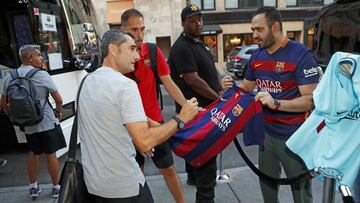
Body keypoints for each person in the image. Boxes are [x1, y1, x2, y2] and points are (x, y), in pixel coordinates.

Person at [78, 29, 199, 202]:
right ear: (113, 49)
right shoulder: (124, 85)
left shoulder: (86, 82)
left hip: (95, 185)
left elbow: (111, 119)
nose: (137, 56)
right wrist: (181, 118)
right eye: (132, 49)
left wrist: (155, 127)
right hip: (125, 188)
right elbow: (145, 142)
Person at [222, 7, 318, 203]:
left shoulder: (301, 55)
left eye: (259, 29)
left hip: (294, 138)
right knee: (267, 187)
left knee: (301, 192)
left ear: (275, 27)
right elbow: (247, 88)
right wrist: (230, 87)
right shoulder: (257, 56)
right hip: (265, 135)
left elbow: (311, 100)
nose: (254, 35)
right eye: (253, 30)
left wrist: (276, 103)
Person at [120, 9, 188, 203]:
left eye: (142, 29)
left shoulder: (151, 51)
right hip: (128, 126)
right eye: (134, 30)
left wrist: (186, 106)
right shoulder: (117, 57)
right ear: (123, 28)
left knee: (168, 169)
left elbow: (169, 83)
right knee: (136, 174)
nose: (140, 35)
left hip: (155, 123)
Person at [168, 5, 223, 203]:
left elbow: (211, 66)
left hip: (204, 110)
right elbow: (193, 80)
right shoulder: (182, 47)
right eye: (192, 20)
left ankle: (193, 177)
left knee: (196, 155)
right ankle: (205, 196)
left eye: (200, 19)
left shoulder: (199, 43)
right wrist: (218, 98)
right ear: (183, 24)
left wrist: (219, 87)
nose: (198, 23)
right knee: (207, 162)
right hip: (196, 112)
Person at [1, 45, 66, 200]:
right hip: (46, 122)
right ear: (29, 58)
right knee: (51, 154)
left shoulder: (11, 76)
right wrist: (58, 111)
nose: (42, 57)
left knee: (33, 153)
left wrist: (16, 117)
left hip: (27, 124)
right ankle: (56, 187)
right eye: (38, 55)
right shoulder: (41, 74)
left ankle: (33, 187)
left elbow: (3, 103)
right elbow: (59, 99)